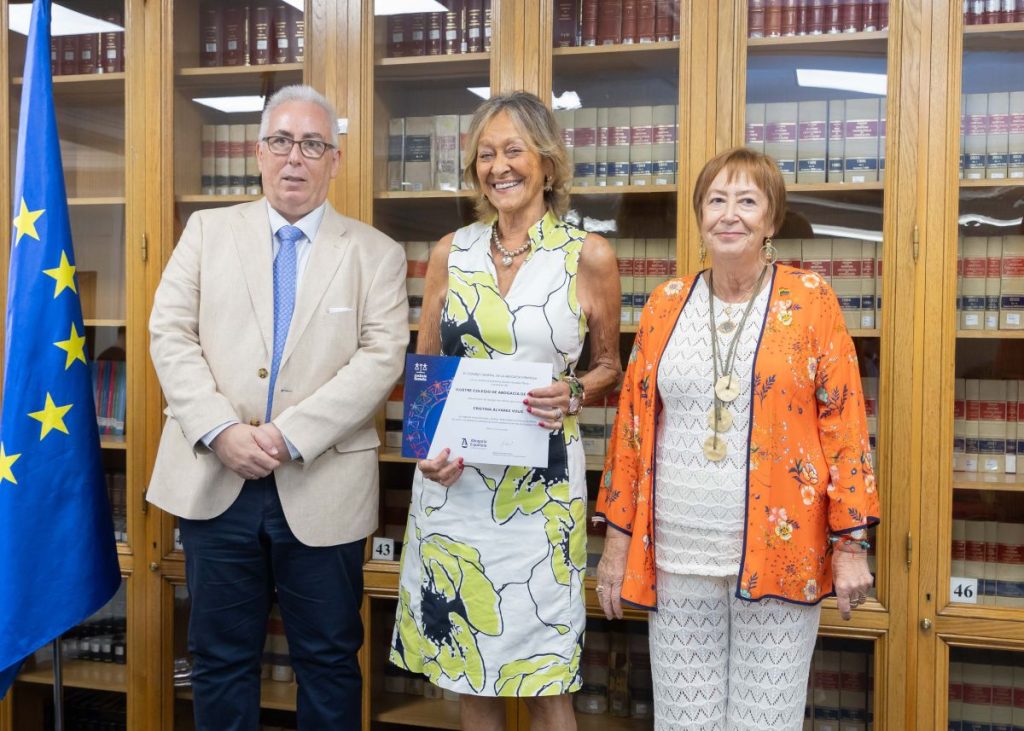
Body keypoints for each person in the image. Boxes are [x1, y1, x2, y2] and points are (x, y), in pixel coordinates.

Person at [147, 84, 408, 730]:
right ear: (259, 152)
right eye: (282, 141)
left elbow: (381, 359)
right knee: (219, 658)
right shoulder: (206, 232)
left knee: (328, 660)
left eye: (313, 144)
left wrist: (287, 436)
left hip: (323, 482)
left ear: (334, 160)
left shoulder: (376, 253)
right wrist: (220, 429)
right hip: (216, 477)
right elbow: (169, 333)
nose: (296, 157)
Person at [595, 147, 880, 730]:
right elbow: (630, 432)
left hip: (781, 554)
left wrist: (851, 545)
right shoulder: (665, 305)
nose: (729, 214)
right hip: (676, 555)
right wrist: (617, 545)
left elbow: (845, 425)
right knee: (685, 722)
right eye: (716, 200)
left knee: (764, 722)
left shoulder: (811, 300)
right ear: (700, 215)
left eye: (747, 201)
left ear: (771, 219)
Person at [389, 91, 621, 731]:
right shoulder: (450, 251)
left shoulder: (588, 255)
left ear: (547, 162)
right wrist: (425, 452)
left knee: (547, 680)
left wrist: (575, 391)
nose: (499, 167)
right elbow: (426, 370)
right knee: (472, 679)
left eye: (513, 150)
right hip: (455, 490)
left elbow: (610, 365)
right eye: (486, 155)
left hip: (541, 500)